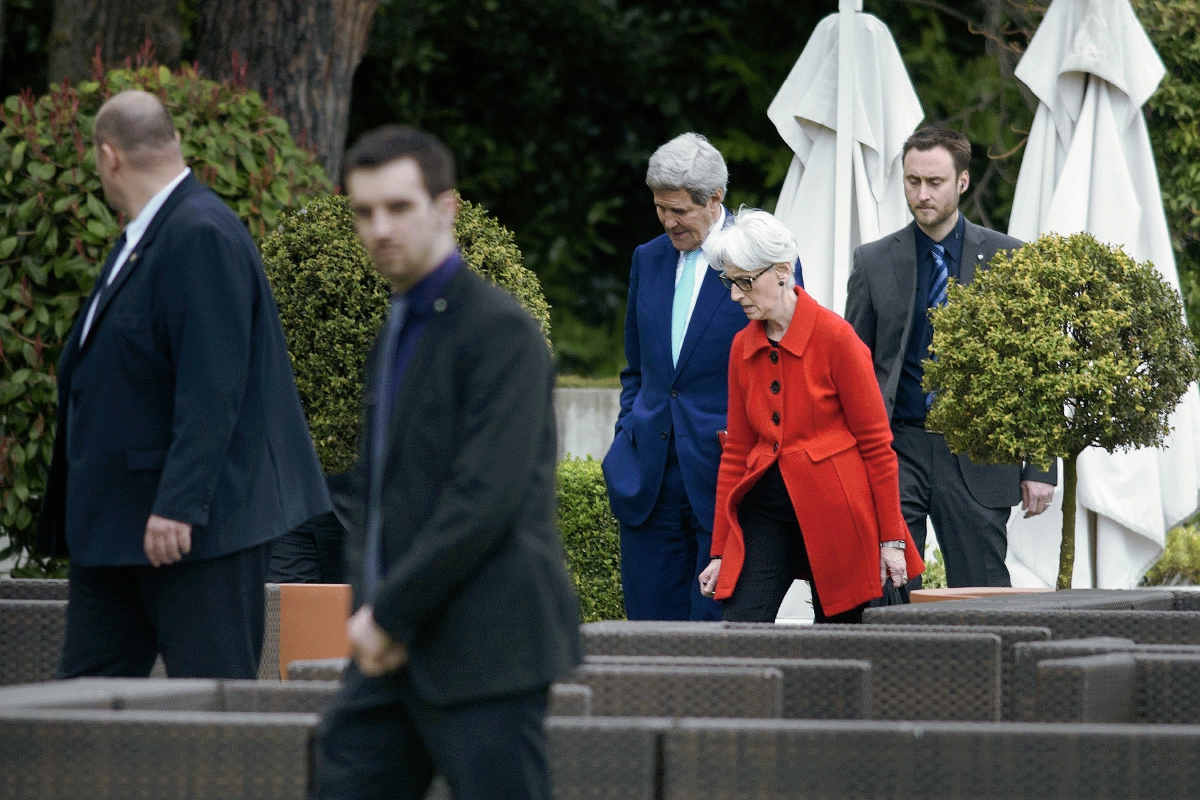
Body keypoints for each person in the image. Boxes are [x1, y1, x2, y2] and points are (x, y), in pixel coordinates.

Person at [313, 125, 582, 800]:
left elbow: (483, 499)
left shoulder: (502, 334)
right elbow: (376, 492)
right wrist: (369, 610)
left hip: (484, 650)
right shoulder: (398, 328)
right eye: (364, 211)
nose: (379, 227)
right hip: (389, 651)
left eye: (398, 207)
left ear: (446, 208)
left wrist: (388, 615)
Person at [36, 90, 330, 679]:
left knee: (216, 709)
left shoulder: (200, 233)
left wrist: (178, 505)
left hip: (191, 534)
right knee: (81, 708)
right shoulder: (147, 236)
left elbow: (214, 383)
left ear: (108, 157)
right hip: (121, 532)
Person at [844, 127, 1057, 589]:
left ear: (962, 181)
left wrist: (1039, 464)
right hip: (898, 447)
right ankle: (895, 664)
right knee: (889, 587)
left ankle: (986, 666)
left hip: (979, 448)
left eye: (934, 182)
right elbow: (853, 367)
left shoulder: (1010, 259)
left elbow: (1039, 368)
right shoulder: (874, 262)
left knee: (981, 590)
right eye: (912, 181)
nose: (922, 194)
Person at [603, 133, 803, 621]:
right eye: (660, 208)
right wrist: (629, 429)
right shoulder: (646, 259)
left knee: (718, 645)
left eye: (679, 211)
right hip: (648, 475)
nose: (668, 221)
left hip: (729, 480)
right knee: (649, 637)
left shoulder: (762, 260)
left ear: (716, 201)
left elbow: (791, 365)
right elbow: (637, 369)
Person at [697, 209, 923, 623]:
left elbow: (877, 447)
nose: (735, 295)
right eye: (730, 282)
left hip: (838, 510)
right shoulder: (740, 347)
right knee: (739, 628)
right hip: (766, 509)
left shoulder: (837, 338)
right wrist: (720, 550)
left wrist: (890, 540)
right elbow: (736, 454)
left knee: (841, 644)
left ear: (783, 271)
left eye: (745, 281)